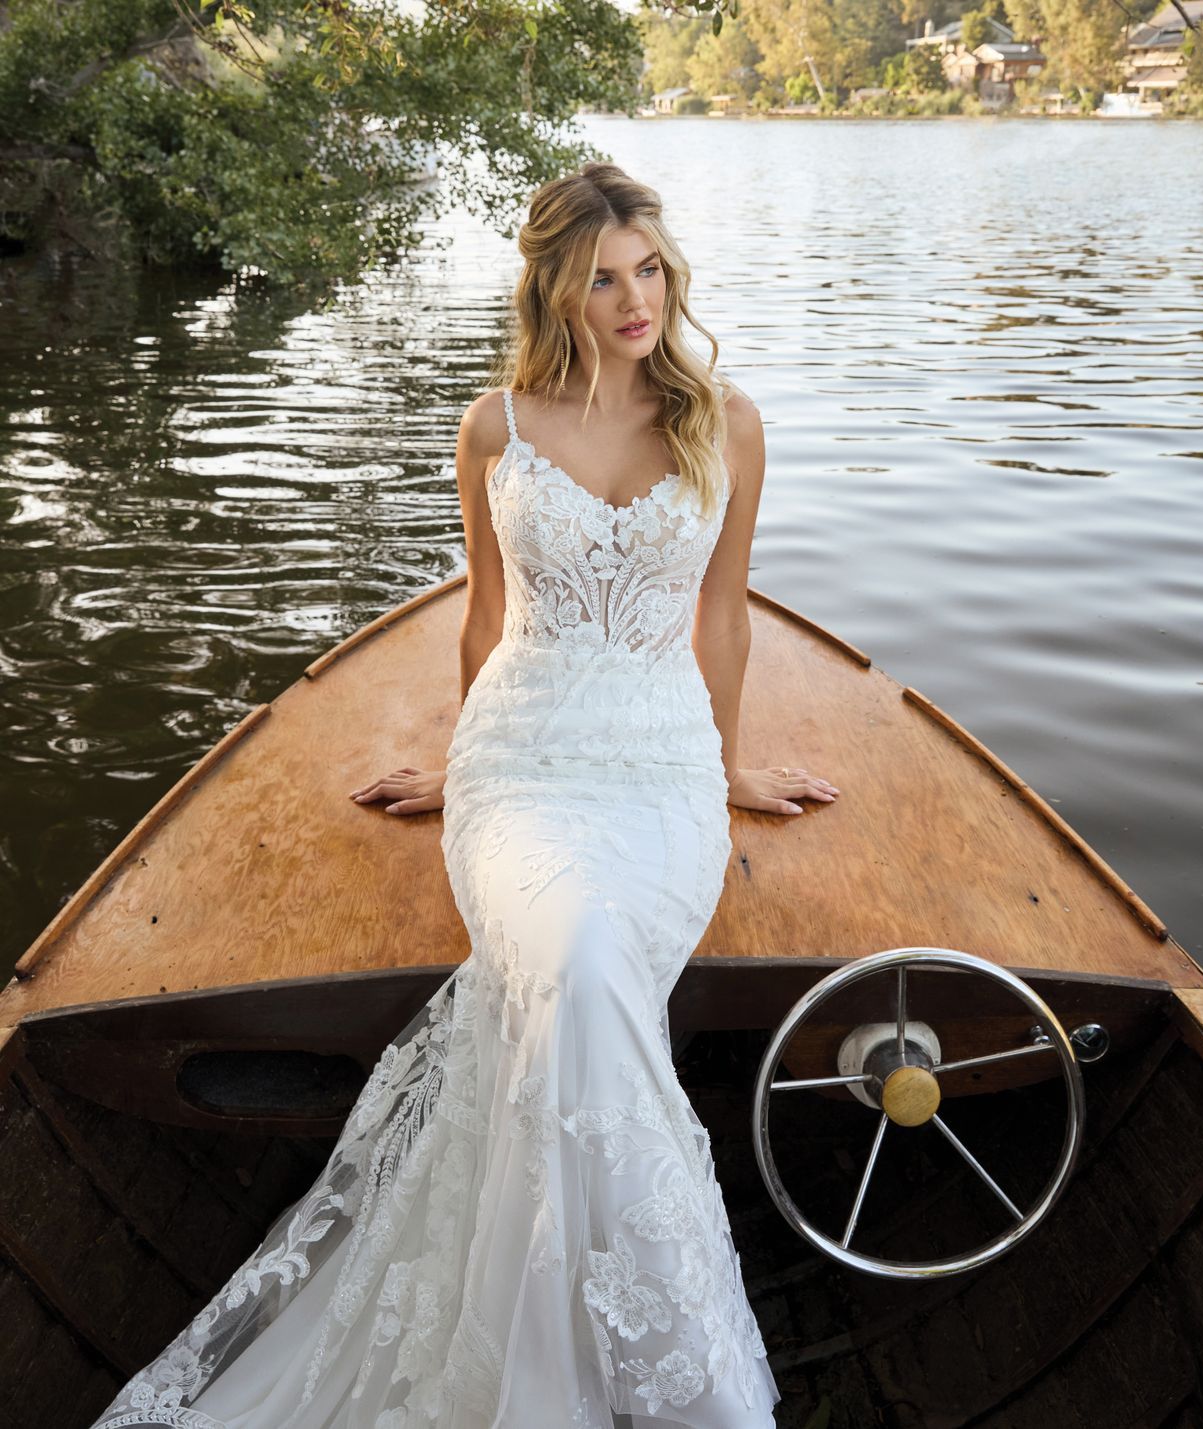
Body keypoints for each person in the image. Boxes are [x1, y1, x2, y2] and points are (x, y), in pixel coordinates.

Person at [91, 162, 839, 1428]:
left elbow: (720, 620)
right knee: (579, 957)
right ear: (555, 285)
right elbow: (487, 619)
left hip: (659, 763)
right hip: (521, 758)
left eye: (650, 270)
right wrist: (460, 762)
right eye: (603, 278)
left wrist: (722, 771)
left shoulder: (727, 422)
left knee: (595, 968)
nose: (634, 299)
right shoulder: (493, 426)